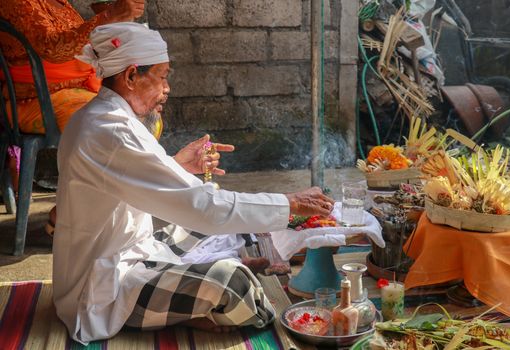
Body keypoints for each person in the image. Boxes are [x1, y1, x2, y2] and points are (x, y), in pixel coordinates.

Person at [53, 22, 335, 344]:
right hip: (103, 289)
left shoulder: (102, 117)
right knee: (235, 284)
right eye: (162, 76)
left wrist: (176, 166)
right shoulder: (111, 130)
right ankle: (191, 300)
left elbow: (124, 184)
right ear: (131, 76)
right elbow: (204, 207)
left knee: (231, 226)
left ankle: (189, 294)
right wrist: (290, 202)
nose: (167, 87)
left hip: (132, 250)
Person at [0, 0, 146, 232]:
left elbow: (85, 44)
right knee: (108, 121)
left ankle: (92, 212)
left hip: (77, 89)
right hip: (36, 99)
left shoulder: (59, 4)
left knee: (142, 105)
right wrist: (110, 15)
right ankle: (73, 214)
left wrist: (116, 19)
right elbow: (54, 49)